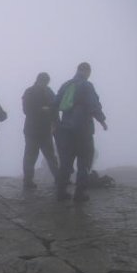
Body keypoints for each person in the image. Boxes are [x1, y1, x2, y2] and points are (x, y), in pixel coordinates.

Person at [55, 62, 107, 202]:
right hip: (83, 129)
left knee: (65, 162)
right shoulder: (86, 85)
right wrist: (102, 120)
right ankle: (80, 193)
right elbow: (93, 105)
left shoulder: (66, 85)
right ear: (87, 71)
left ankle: (61, 192)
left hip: (66, 129)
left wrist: (57, 125)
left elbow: (55, 103)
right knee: (84, 162)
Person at [22, 73, 59, 189]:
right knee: (34, 156)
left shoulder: (43, 91)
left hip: (40, 129)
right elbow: (26, 110)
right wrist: (43, 110)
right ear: (39, 80)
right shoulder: (32, 92)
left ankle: (58, 178)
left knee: (46, 156)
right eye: (44, 82)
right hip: (36, 129)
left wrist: (54, 121)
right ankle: (29, 180)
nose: (45, 84)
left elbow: (55, 107)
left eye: (46, 82)